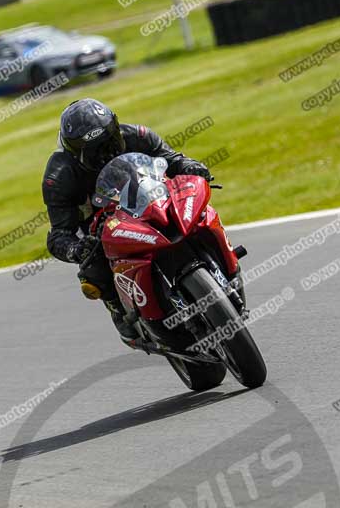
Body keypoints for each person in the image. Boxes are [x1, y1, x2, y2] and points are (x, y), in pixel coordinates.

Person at [42, 98, 213, 344]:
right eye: (95, 150)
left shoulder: (137, 135)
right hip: (98, 223)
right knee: (93, 266)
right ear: (76, 153)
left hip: (149, 196)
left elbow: (170, 158)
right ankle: (118, 309)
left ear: (116, 129)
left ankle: (218, 256)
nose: (107, 152)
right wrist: (75, 249)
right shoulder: (59, 176)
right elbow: (59, 234)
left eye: (110, 142)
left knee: (197, 208)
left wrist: (188, 165)